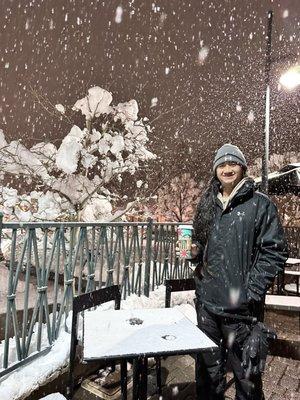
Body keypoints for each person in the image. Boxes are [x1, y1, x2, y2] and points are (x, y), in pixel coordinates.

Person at [190, 143, 288, 400]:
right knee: (207, 376)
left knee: (246, 379)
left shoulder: (259, 205)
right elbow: (201, 244)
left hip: (240, 311)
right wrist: (194, 252)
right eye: (222, 164)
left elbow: (275, 251)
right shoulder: (207, 204)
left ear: (243, 168)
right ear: (215, 170)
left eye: (232, 163)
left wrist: (251, 290)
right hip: (207, 305)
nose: (227, 168)